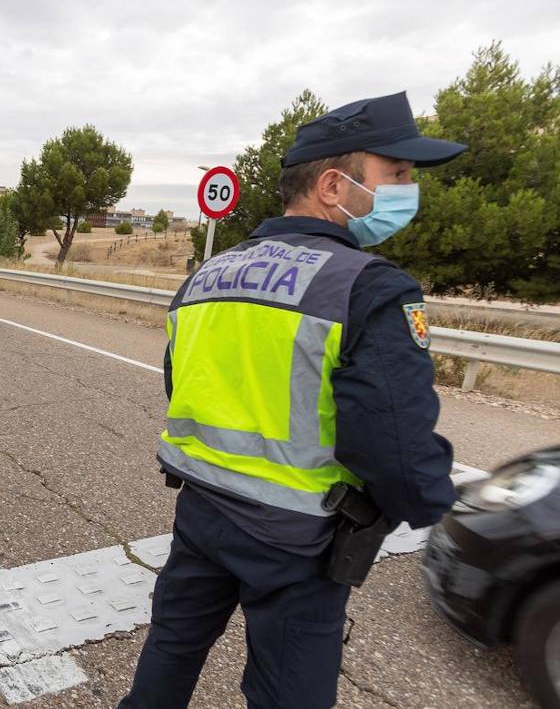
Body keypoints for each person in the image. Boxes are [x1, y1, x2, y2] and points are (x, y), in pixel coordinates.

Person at [118, 92, 468, 709]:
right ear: (334, 186)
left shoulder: (205, 277)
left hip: (201, 515)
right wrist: (438, 507)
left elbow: (183, 387)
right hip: (300, 542)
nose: (409, 190)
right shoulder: (368, 287)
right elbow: (390, 440)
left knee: (169, 655)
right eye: (398, 175)